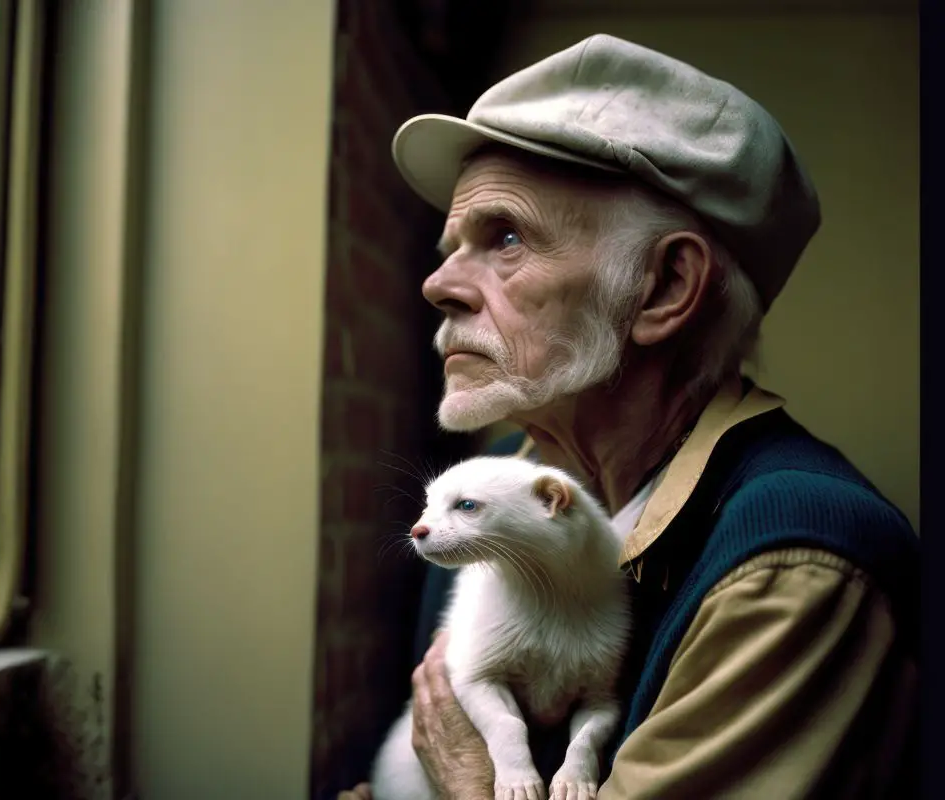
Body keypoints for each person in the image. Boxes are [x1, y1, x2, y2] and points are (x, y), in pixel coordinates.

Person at [339, 33, 919, 799]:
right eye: (452, 246)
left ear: (665, 288)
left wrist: (471, 785)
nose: (438, 283)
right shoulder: (494, 491)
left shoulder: (794, 565)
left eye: (505, 236)